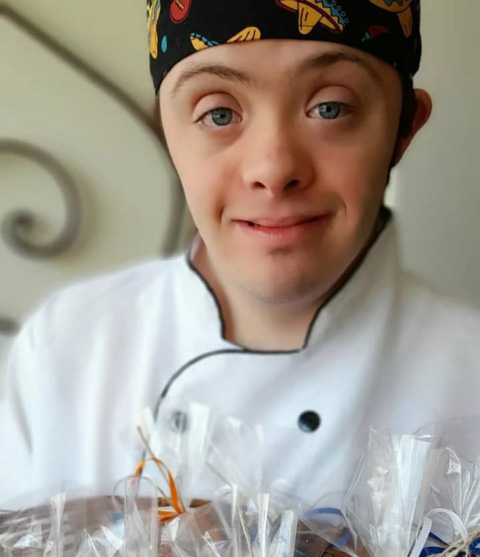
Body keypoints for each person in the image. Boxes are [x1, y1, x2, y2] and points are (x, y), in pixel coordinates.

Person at [1, 0, 480, 508]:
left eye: (330, 108)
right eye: (220, 113)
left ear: (403, 130)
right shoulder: (66, 345)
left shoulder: (468, 377)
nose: (273, 169)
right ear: (166, 132)